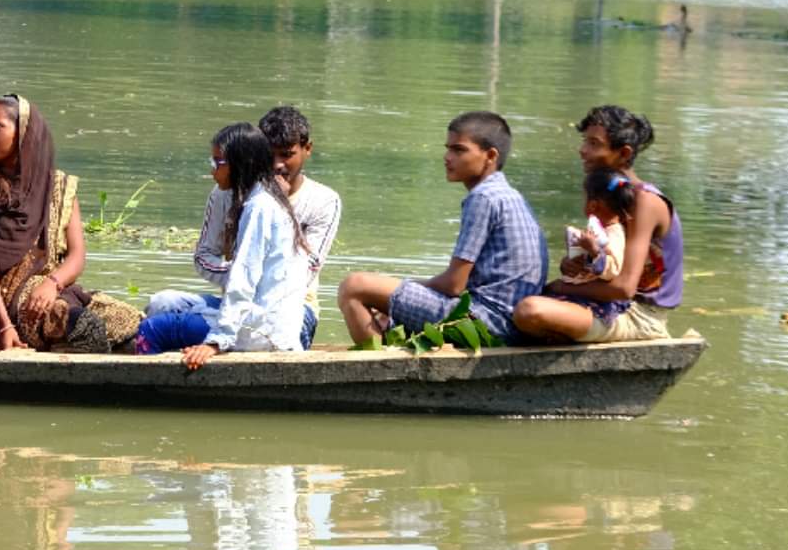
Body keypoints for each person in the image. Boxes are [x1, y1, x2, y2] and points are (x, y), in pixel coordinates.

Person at [0, 94, 142, 353]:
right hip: (2, 299)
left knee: (130, 327)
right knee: (84, 328)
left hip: (51, 287)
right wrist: (5, 327)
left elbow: (77, 255)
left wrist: (52, 283)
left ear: (24, 133)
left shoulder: (59, 185)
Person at [336, 111, 547, 345]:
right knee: (387, 304)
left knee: (354, 287)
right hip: (508, 322)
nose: (447, 157)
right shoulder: (510, 195)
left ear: (490, 155)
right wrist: (395, 297)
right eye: (448, 148)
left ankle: (378, 370)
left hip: (487, 321)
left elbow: (453, 285)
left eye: (459, 150)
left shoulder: (483, 197)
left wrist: (400, 289)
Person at [148, 105, 340, 349]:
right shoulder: (224, 194)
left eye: (287, 154)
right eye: (270, 155)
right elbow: (204, 257)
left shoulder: (322, 200)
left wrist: (248, 276)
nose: (277, 165)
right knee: (162, 303)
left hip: (293, 308)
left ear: (307, 149)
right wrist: (239, 274)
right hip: (239, 300)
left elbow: (308, 268)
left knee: (159, 329)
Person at [134, 123, 310, 367]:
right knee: (162, 304)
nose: (213, 172)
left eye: (219, 163)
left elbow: (243, 279)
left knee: (152, 329)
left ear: (240, 165)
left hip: (264, 329)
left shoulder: (259, 207)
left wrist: (217, 341)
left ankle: (150, 393)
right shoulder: (260, 198)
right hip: (259, 316)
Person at [511, 106, 683, 343]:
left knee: (529, 310)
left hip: (639, 317)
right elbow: (609, 261)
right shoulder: (608, 195)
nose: (583, 151)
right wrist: (577, 265)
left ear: (623, 153)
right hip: (610, 304)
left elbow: (623, 289)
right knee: (516, 298)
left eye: (594, 144)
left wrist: (561, 287)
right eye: (585, 141)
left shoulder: (645, 202)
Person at [560, 168, 636, 286]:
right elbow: (585, 264)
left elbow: (613, 270)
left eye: (584, 197)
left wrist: (594, 250)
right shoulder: (598, 230)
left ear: (593, 205)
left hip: (595, 299)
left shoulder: (615, 235)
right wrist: (568, 264)